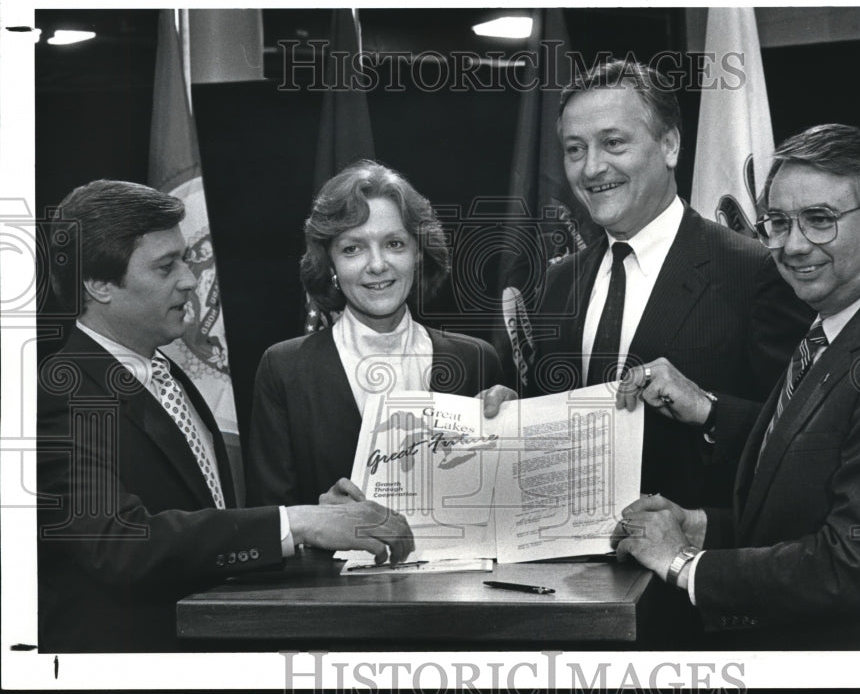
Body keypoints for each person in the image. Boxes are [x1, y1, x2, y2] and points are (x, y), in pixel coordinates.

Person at [36, 180, 414, 653]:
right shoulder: (62, 391)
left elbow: (204, 524)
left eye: (186, 259)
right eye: (165, 266)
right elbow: (117, 545)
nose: (191, 280)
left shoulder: (164, 371)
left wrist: (313, 518)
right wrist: (295, 523)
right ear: (98, 284)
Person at [614, 124, 860, 650]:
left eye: (819, 221)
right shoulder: (832, 326)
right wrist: (701, 526)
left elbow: (857, 563)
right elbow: (802, 497)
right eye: (777, 222)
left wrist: (685, 564)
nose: (792, 246)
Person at [526, 59, 812, 507]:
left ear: (670, 145)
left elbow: (801, 442)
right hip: (565, 568)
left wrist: (709, 409)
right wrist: (506, 418)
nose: (592, 168)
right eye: (575, 149)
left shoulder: (754, 273)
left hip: (688, 565)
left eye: (613, 143)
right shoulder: (558, 281)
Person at [246, 160, 510, 507]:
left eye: (394, 244)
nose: (376, 264)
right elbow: (269, 516)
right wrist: (312, 521)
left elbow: (499, 505)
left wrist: (514, 441)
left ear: (418, 252)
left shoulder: (475, 359)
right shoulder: (284, 368)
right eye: (352, 248)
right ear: (330, 264)